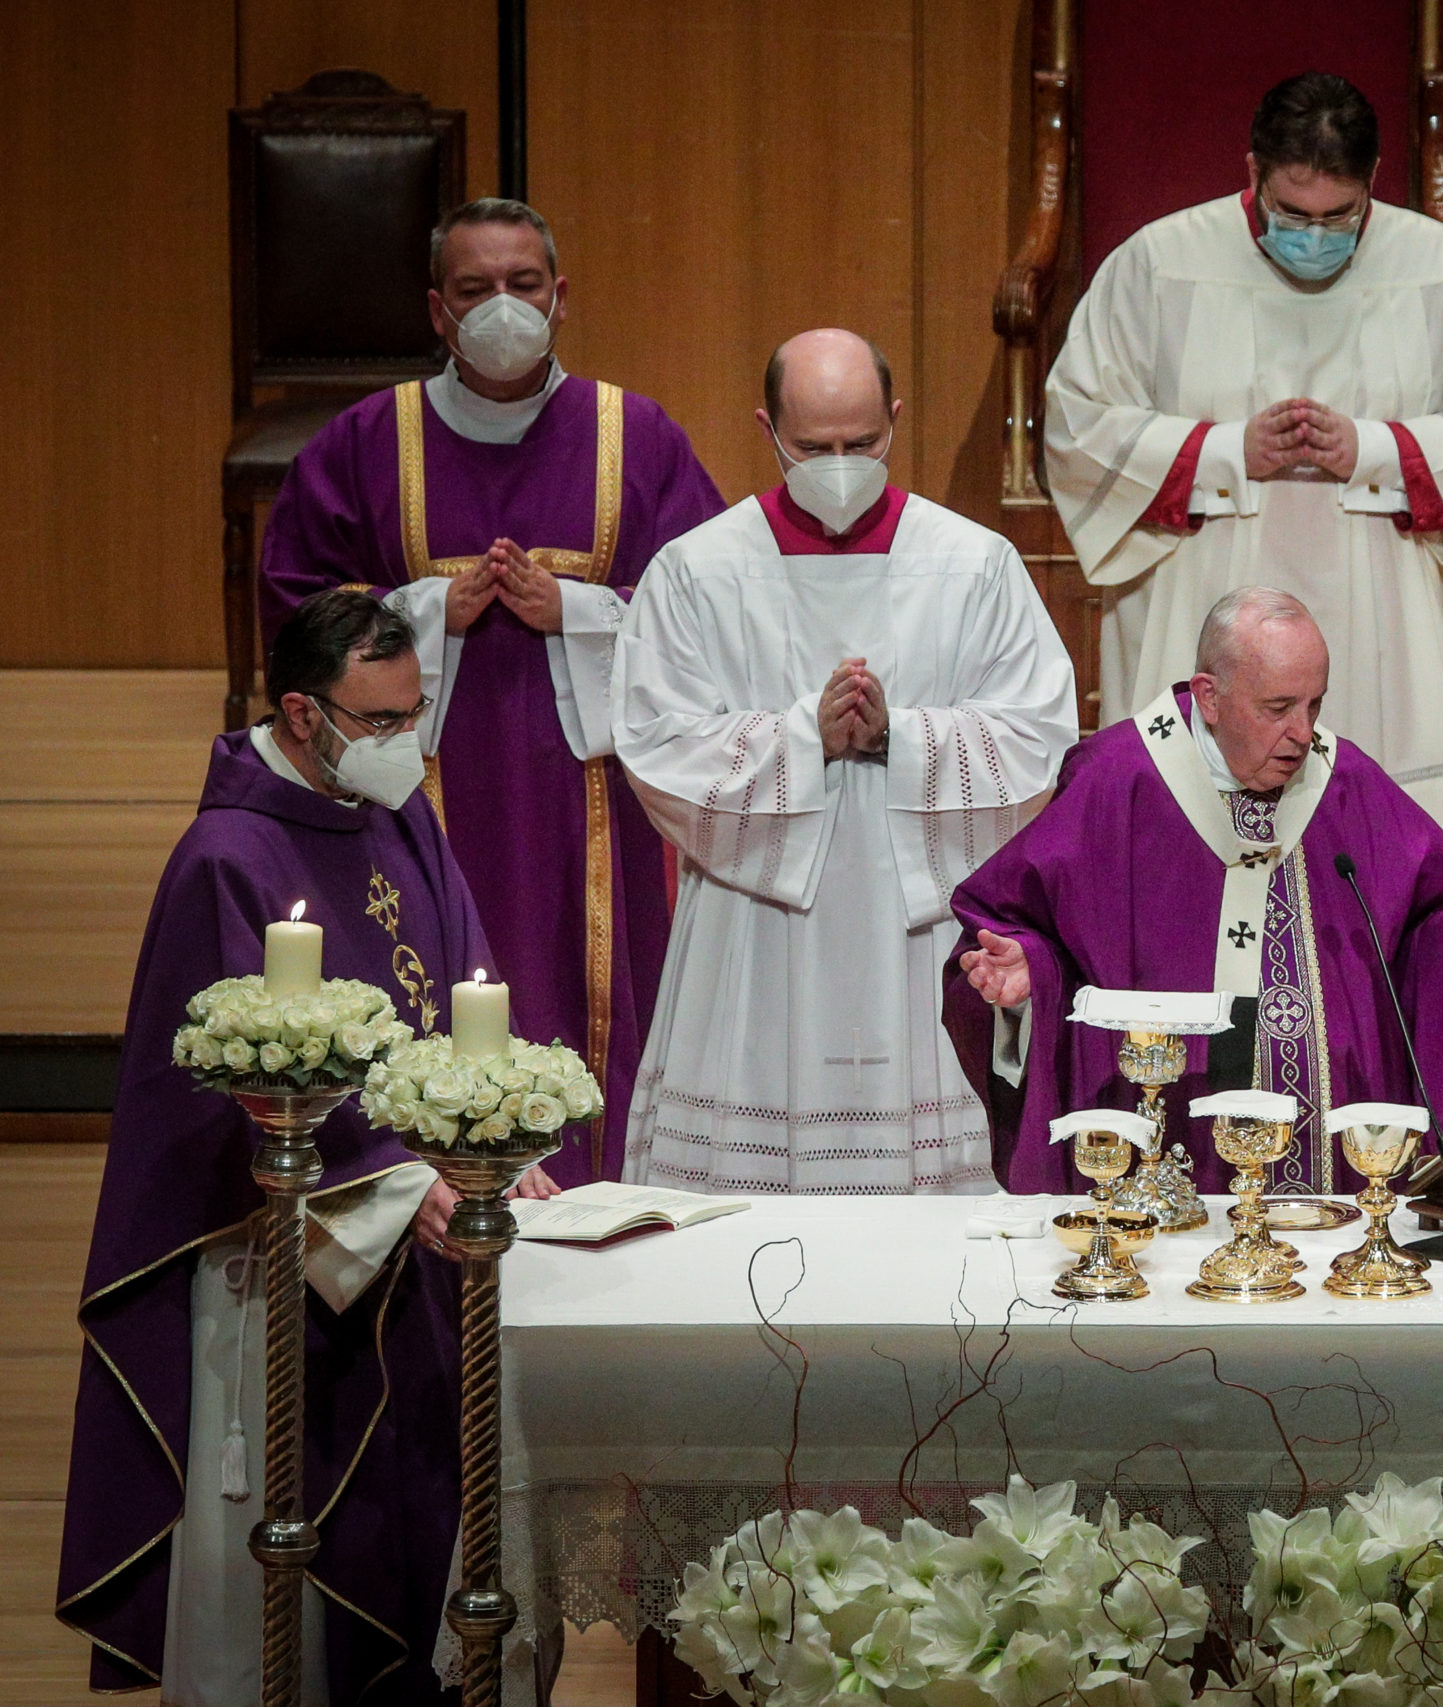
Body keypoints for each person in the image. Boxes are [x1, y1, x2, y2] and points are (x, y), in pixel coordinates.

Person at [58, 592, 559, 1700]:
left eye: (414, 713)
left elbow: (458, 981)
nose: (402, 745)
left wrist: (483, 1134)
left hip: (416, 1242)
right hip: (282, 1264)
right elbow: (223, 1095)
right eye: (377, 721)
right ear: (300, 713)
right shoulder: (225, 855)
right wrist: (392, 1171)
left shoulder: (399, 811)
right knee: (292, 1554)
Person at [260, 196, 728, 1187]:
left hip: (594, 800)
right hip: (419, 786)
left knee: (587, 991)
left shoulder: (634, 436)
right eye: (475, 290)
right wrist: (428, 610)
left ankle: (602, 1205)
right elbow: (295, 609)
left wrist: (583, 612)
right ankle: (433, 1215)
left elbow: (716, 606)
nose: (501, 308)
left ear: (561, 297)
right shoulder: (365, 441)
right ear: (438, 309)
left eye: (523, 285)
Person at [1044, 72, 1443, 848]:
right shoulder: (1158, 264)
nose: (1314, 236)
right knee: (1194, 832)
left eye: (1339, 216)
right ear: (1251, 171)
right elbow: (1077, 422)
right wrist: (1222, 451)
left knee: (1384, 841)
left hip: (1389, 598)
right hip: (1207, 576)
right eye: (1292, 213)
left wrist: (1380, 450)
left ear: (1374, 183)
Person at [613, 330, 1079, 1195]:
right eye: (814, 447)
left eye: (861, 444)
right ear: (768, 430)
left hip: (919, 926)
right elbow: (655, 745)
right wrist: (806, 739)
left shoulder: (973, 563)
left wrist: (900, 736)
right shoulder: (697, 571)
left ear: (896, 423)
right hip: (756, 932)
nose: (839, 465)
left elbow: (1038, 734)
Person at [946, 587, 1443, 1194]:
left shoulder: (1345, 779)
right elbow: (1008, 917)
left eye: (1314, 704)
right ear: (1210, 696)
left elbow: (1425, 909)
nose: (1303, 733)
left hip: (1335, 1172)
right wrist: (1026, 975)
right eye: (1278, 707)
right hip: (1155, 1153)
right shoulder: (1117, 780)